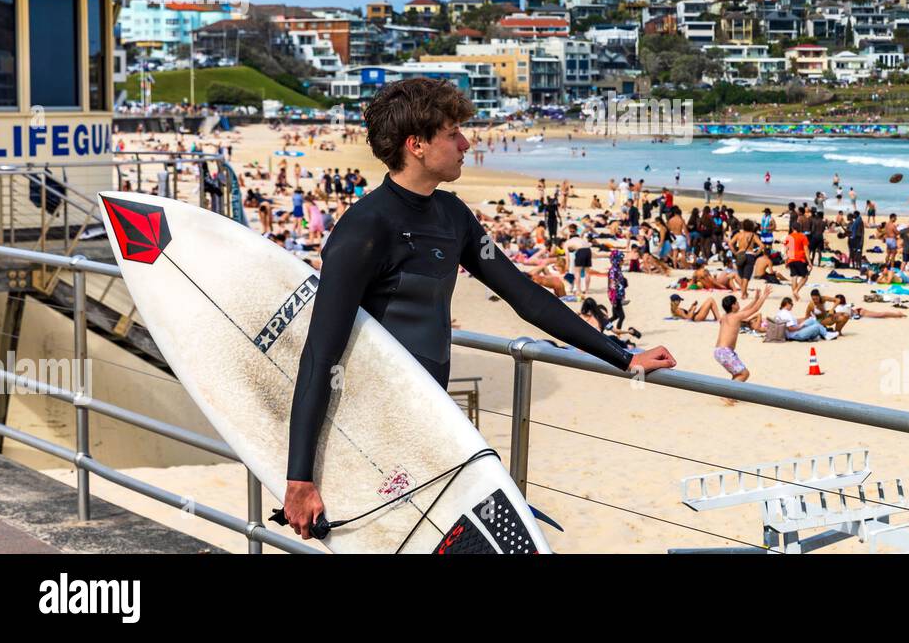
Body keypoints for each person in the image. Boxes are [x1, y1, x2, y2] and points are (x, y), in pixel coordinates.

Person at [281, 78, 674, 540]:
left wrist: (622, 356)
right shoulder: (365, 229)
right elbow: (319, 354)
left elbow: (525, 297)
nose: (466, 143)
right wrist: (299, 479)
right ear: (418, 145)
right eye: (452, 134)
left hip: (434, 422)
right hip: (374, 427)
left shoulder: (452, 217)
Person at [714, 288, 771, 398]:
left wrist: (755, 299)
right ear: (733, 305)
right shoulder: (736, 316)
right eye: (737, 302)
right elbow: (755, 309)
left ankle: (731, 395)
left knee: (737, 374)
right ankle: (728, 396)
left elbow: (746, 310)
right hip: (725, 352)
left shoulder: (725, 317)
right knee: (744, 374)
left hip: (718, 351)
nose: (739, 304)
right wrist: (764, 296)